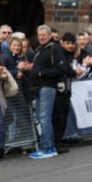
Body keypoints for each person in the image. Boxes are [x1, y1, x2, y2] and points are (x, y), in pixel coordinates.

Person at [27, 25, 71, 159]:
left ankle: (47, 148)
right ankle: (49, 147)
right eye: (39, 35)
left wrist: (42, 73)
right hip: (39, 87)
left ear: (50, 35)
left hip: (47, 87)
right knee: (42, 117)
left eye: (44, 35)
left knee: (44, 117)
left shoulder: (55, 48)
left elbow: (61, 69)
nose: (41, 37)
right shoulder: (40, 49)